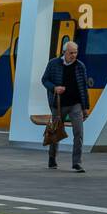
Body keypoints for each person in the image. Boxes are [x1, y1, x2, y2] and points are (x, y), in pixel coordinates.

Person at [41, 41, 89, 172]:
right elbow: (44, 80)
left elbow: (83, 88)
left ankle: (77, 163)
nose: (74, 55)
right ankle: (52, 158)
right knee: (55, 132)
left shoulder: (80, 66)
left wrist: (85, 107)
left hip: (75, 104)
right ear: (64, 52)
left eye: (75, 52)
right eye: (71, 53)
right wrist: (54, 88)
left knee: (79, 132)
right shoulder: (53, 64)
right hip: (58, 104)